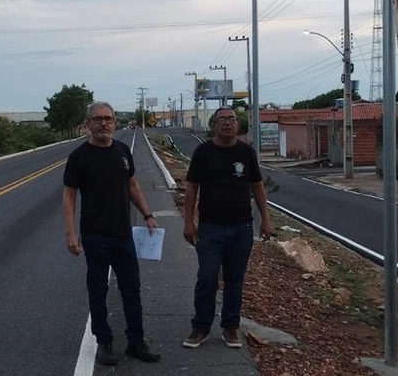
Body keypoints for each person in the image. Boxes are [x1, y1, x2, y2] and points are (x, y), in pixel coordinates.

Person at [62, 101, 161, 366]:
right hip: (95, 235)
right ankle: (104, 341)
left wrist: (148, 214)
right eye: (97, 119)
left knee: (132, 288)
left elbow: (132, 185)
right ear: (88, 124)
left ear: (114, 122)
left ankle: (136, 342)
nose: (103, 123)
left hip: (123, 234)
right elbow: (69, 196)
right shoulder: (79, 157)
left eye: (108, 119)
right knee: (98, 289)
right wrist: (71, 234)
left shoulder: (121, 152)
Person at [182, 106, 272, 350]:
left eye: (231, 119)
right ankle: (200, 327)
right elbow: (191, 188)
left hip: (241, 229)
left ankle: (230, 327)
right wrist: (189, 221)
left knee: (235, 281)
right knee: (207, 278)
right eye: (221, 120)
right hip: (210, 229)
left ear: (237, 125)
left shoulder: (246, 152)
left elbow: (258, 187)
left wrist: (265, 219)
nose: (227, 123)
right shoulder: (203, 152)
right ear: (214, 125)